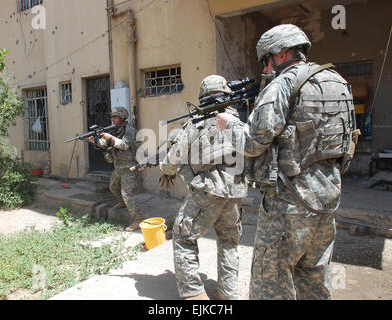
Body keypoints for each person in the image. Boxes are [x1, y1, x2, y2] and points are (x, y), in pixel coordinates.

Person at [217, 24, 357, 300]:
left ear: (279, 54)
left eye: (265, 60)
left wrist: (231, 124)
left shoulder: (284, 84)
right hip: (327, 199)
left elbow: (252, 142)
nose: (266, 67)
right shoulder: (337, 81)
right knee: (314, 278)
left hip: (289, 203)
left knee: (271, 284)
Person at [159, 75, 248, 300]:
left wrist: (164, 168)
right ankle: (227, 295)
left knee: (183, 237)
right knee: (229, 242)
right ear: (226, 95)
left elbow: (173, 160)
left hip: (209, 189)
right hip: (236, 190)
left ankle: (194, 295)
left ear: (202, 97)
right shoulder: (239, 120)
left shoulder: (196, 122)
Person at [90, 107, 144, 232]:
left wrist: (109, 137)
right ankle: (123, 202)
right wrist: (95, 141)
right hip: (118, 165)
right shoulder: (115, 130)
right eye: (112, 117)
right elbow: (106, 144)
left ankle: (139, 219)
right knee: (113, 187)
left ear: (122, 118)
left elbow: (124, 145)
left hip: (129, 166)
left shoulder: (130, 130)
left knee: (127, 193)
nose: (112, 119)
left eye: (115, 117)